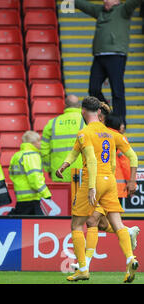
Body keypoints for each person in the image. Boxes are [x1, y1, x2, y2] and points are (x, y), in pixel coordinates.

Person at [56, 96, 138, 282]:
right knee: (116, 223)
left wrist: (92, 187)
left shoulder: (85, 133)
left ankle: (83, 268)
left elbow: (91, 160)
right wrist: (64, 165)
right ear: (99, 112)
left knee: (77, 225)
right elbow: (75, 151)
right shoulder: (109, 133)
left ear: (83, 112)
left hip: (93, 181)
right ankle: (130, 258)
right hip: (111, 182)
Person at [66, 0, 144, 125]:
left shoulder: (124, 10)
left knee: (117, 90)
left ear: (116, 1)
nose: (104, 1)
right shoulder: (101, 11)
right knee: (93, 88)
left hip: (116, 56)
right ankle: (108, 113)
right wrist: (74, 1)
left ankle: (120, 121)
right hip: (99, 56)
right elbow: (88, 7)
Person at [41, 94, 85, 182]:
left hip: (59, 171)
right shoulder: (86, 121)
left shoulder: (52, 123)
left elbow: (44, 151)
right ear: (79, 106)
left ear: (65, 105)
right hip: (80, 172)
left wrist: (48, 169)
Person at [8, 131, 51, 215]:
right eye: (39, 140)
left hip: (21, 197)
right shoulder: (32, 155)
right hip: (32, 197)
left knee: (21, 220)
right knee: (40, 223)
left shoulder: (17, 155)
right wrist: (46, 193)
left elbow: (12, 175)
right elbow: (34, 177)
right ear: (33, 143)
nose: (41, 143)